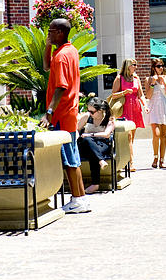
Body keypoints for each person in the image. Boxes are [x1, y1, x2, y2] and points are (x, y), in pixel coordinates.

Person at [40, 18, 91, 213]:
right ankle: (81, 198)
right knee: (73, 156)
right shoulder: (70, 51)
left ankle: (77, 200)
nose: (48, 34)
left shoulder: (61, 57)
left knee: (69, 159)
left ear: (60, 32)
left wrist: (49, 112)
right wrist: (47, 46)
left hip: (62, 114)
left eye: (51, 31)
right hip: (70, 112)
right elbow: (46, 67)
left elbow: (61, 87)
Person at [111, 58, 146, 171]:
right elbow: (113, 95)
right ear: (127, 66)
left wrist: (145, 105)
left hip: (135, 107)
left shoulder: (136, 78)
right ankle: (130, 163)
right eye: (133, 65)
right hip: (124, 108)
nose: (135, 67)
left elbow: (141, 94)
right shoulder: (119, 78)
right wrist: (124, 92)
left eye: (136, 65)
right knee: (128, 136)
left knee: (132, 137)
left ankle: (126, 159)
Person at [77, 97, 116, 194]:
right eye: (88, 110)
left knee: (92, 150)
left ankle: (95, 184)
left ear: (100, 111)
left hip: (102, 144)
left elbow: (106, 134)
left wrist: (90, 134)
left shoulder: (109, 119)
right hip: (86, 144)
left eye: (92, 111)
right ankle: (100, 161)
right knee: (87, 141)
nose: (89, 113)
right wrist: (79, 137)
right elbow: (76, 130)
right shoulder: (86, 117)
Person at [145, 57, 166, 168]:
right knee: (156, 134)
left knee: (163, 135)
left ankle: (162, 160)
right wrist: (153, 83)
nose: (161, 68)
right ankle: (155, 157)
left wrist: (164, 83)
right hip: (153, 106)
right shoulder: (148, 79)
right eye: (158, 66)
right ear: (153, 68)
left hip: (164, 107)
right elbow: (148, 95)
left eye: (162, 66)